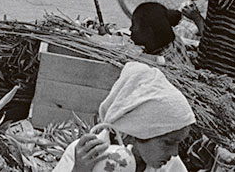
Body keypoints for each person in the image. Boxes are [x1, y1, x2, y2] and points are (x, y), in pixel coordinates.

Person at [53, 62, 195, 172]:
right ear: (137, 132)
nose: (175, 153)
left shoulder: (171, 167)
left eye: (178, 143)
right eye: (168, 142)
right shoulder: (85, 157)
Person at [130, 2, 192, 67]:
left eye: (134, 25)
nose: (130, 29)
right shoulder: (174, 40)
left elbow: (159, 61)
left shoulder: (160, 65)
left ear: (149, 32)